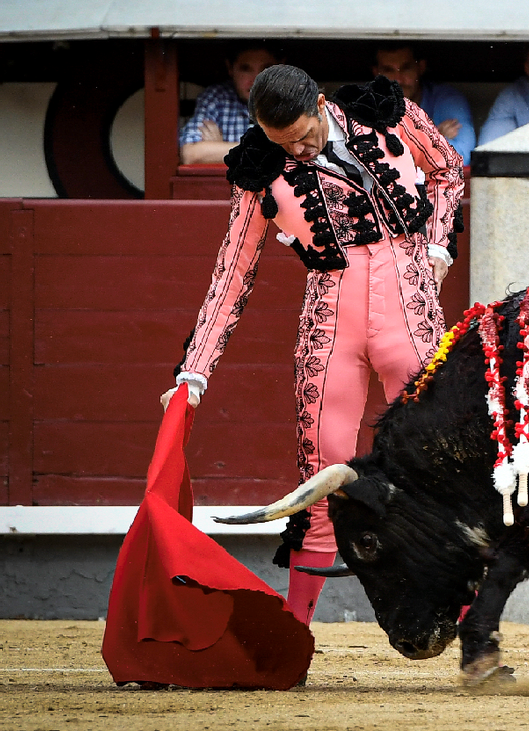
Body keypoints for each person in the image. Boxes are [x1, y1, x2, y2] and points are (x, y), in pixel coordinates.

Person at [161, 65, 464, 625]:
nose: (298, 151)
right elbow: (233, 271)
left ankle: (471, 622)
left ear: (321, 104)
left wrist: (440, 242)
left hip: (410, 302)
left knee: (435, 463)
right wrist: (194, 371)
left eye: (304, 135)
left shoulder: (384, 113)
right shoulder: (262, 168)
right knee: (319, 472)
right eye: (284, 143)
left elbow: (448, 168)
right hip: (331, 318)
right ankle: (296, 628)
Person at [373, 44, 476, 165]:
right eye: (388, 70)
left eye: (406, 68)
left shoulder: (447, 99)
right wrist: (431, 138)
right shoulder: (364, 105)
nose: (398, 79)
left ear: (421, 67)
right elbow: (365, 161)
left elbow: (461, 159)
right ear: (376, 73)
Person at [178, 45, 279, 165]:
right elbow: (191, 154)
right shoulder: (217, 97)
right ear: (230, 68)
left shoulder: (293, 99)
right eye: (245, 69)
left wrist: (221, 150)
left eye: (266, 69)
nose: (256, 80)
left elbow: (299, 155)